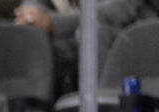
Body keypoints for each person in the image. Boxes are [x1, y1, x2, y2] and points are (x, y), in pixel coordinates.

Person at [16, 0, 158, 97]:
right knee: (26, 39)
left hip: (133, 35)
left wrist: (53, 22)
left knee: (94, 31)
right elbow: (34, 4)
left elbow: (114, 11)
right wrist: (30, 14)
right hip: (73, 38)